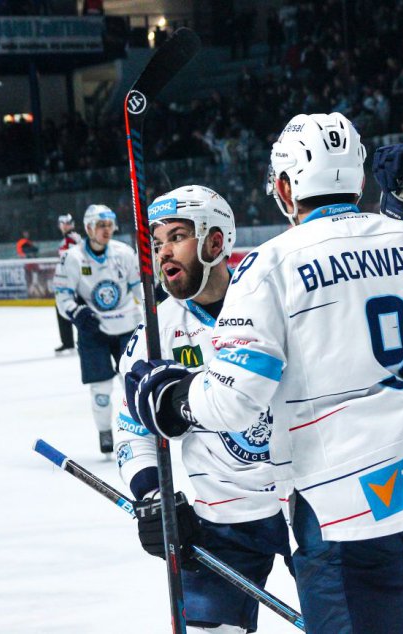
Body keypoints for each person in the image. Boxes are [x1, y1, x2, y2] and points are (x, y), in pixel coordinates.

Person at [127, 112, 403, 633]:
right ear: (357, 177)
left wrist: (171, 398)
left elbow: (234, 401)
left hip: (344, 509)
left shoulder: (270, 264)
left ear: (286, 187)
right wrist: (395, 370)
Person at [116, 185, 290, 634]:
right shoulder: (156, 332)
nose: (163, 252)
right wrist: (152, 498)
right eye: (157, 242)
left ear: (216, 242)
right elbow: (132, 428)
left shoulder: (276, 302)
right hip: (221, 517)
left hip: (304, 501)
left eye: (177, 237)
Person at [53, 204, 143, 456]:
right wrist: (77, 313)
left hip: (128, 327)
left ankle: (140, 429)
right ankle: (105, 431)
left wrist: (155, 306)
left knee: (133, 382)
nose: (106, 230)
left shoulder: (124, 253)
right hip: (95, 331)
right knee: (101, 389)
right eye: (101, 225)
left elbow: (140, 289)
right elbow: (62, 296)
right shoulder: (72, 258)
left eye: (109, 225)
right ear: (89, 228)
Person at [54, 214, 82, 354]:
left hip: (73, 281)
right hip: (68, 280)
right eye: (63, 223)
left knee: (74, 309)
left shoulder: (72, 239)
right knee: (63, 309)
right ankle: (68, 342)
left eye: (68, 223)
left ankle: (74, 341)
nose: (65, 226)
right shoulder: (68, 239)